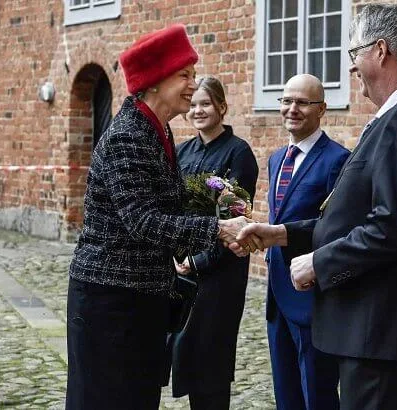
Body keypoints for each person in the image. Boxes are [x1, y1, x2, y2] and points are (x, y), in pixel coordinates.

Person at [234, 4, 397, 409]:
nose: (353, 70)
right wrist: (282, 233)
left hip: (380, 330)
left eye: (354, 55)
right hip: (379, 332)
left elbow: (393, 226)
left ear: (380, 50)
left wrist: (319, 262)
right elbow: (352, 215)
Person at [66, 24, 249, 410]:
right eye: (184, 75)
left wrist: (222, 211)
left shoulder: (158, 129)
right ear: (153, 81)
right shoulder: (128, 135)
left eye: (193, 75)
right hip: (112, 303)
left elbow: (167, 205)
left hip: (139, 298)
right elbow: (144, 221)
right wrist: (218, 229)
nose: (192, 84)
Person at [170, 76, 259, 409]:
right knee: (187, 355)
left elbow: (235, 219)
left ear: (222, 106)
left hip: (220, 272)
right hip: (182, 270)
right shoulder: (181, 152)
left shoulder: (239, 153)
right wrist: (179, 257)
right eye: (192, 105)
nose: (197, 110)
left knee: (212, 359)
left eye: (205, 104)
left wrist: (199, 261)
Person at [266, 74, 348, 410]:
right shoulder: (276, 159)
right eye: (286, 101)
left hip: (311, 296)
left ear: (322, 109)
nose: (292, 109)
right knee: (285, 393)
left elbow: (334, 226)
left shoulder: (338, 160)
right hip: (276, 294)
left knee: (317, 393)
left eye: (302, 102)